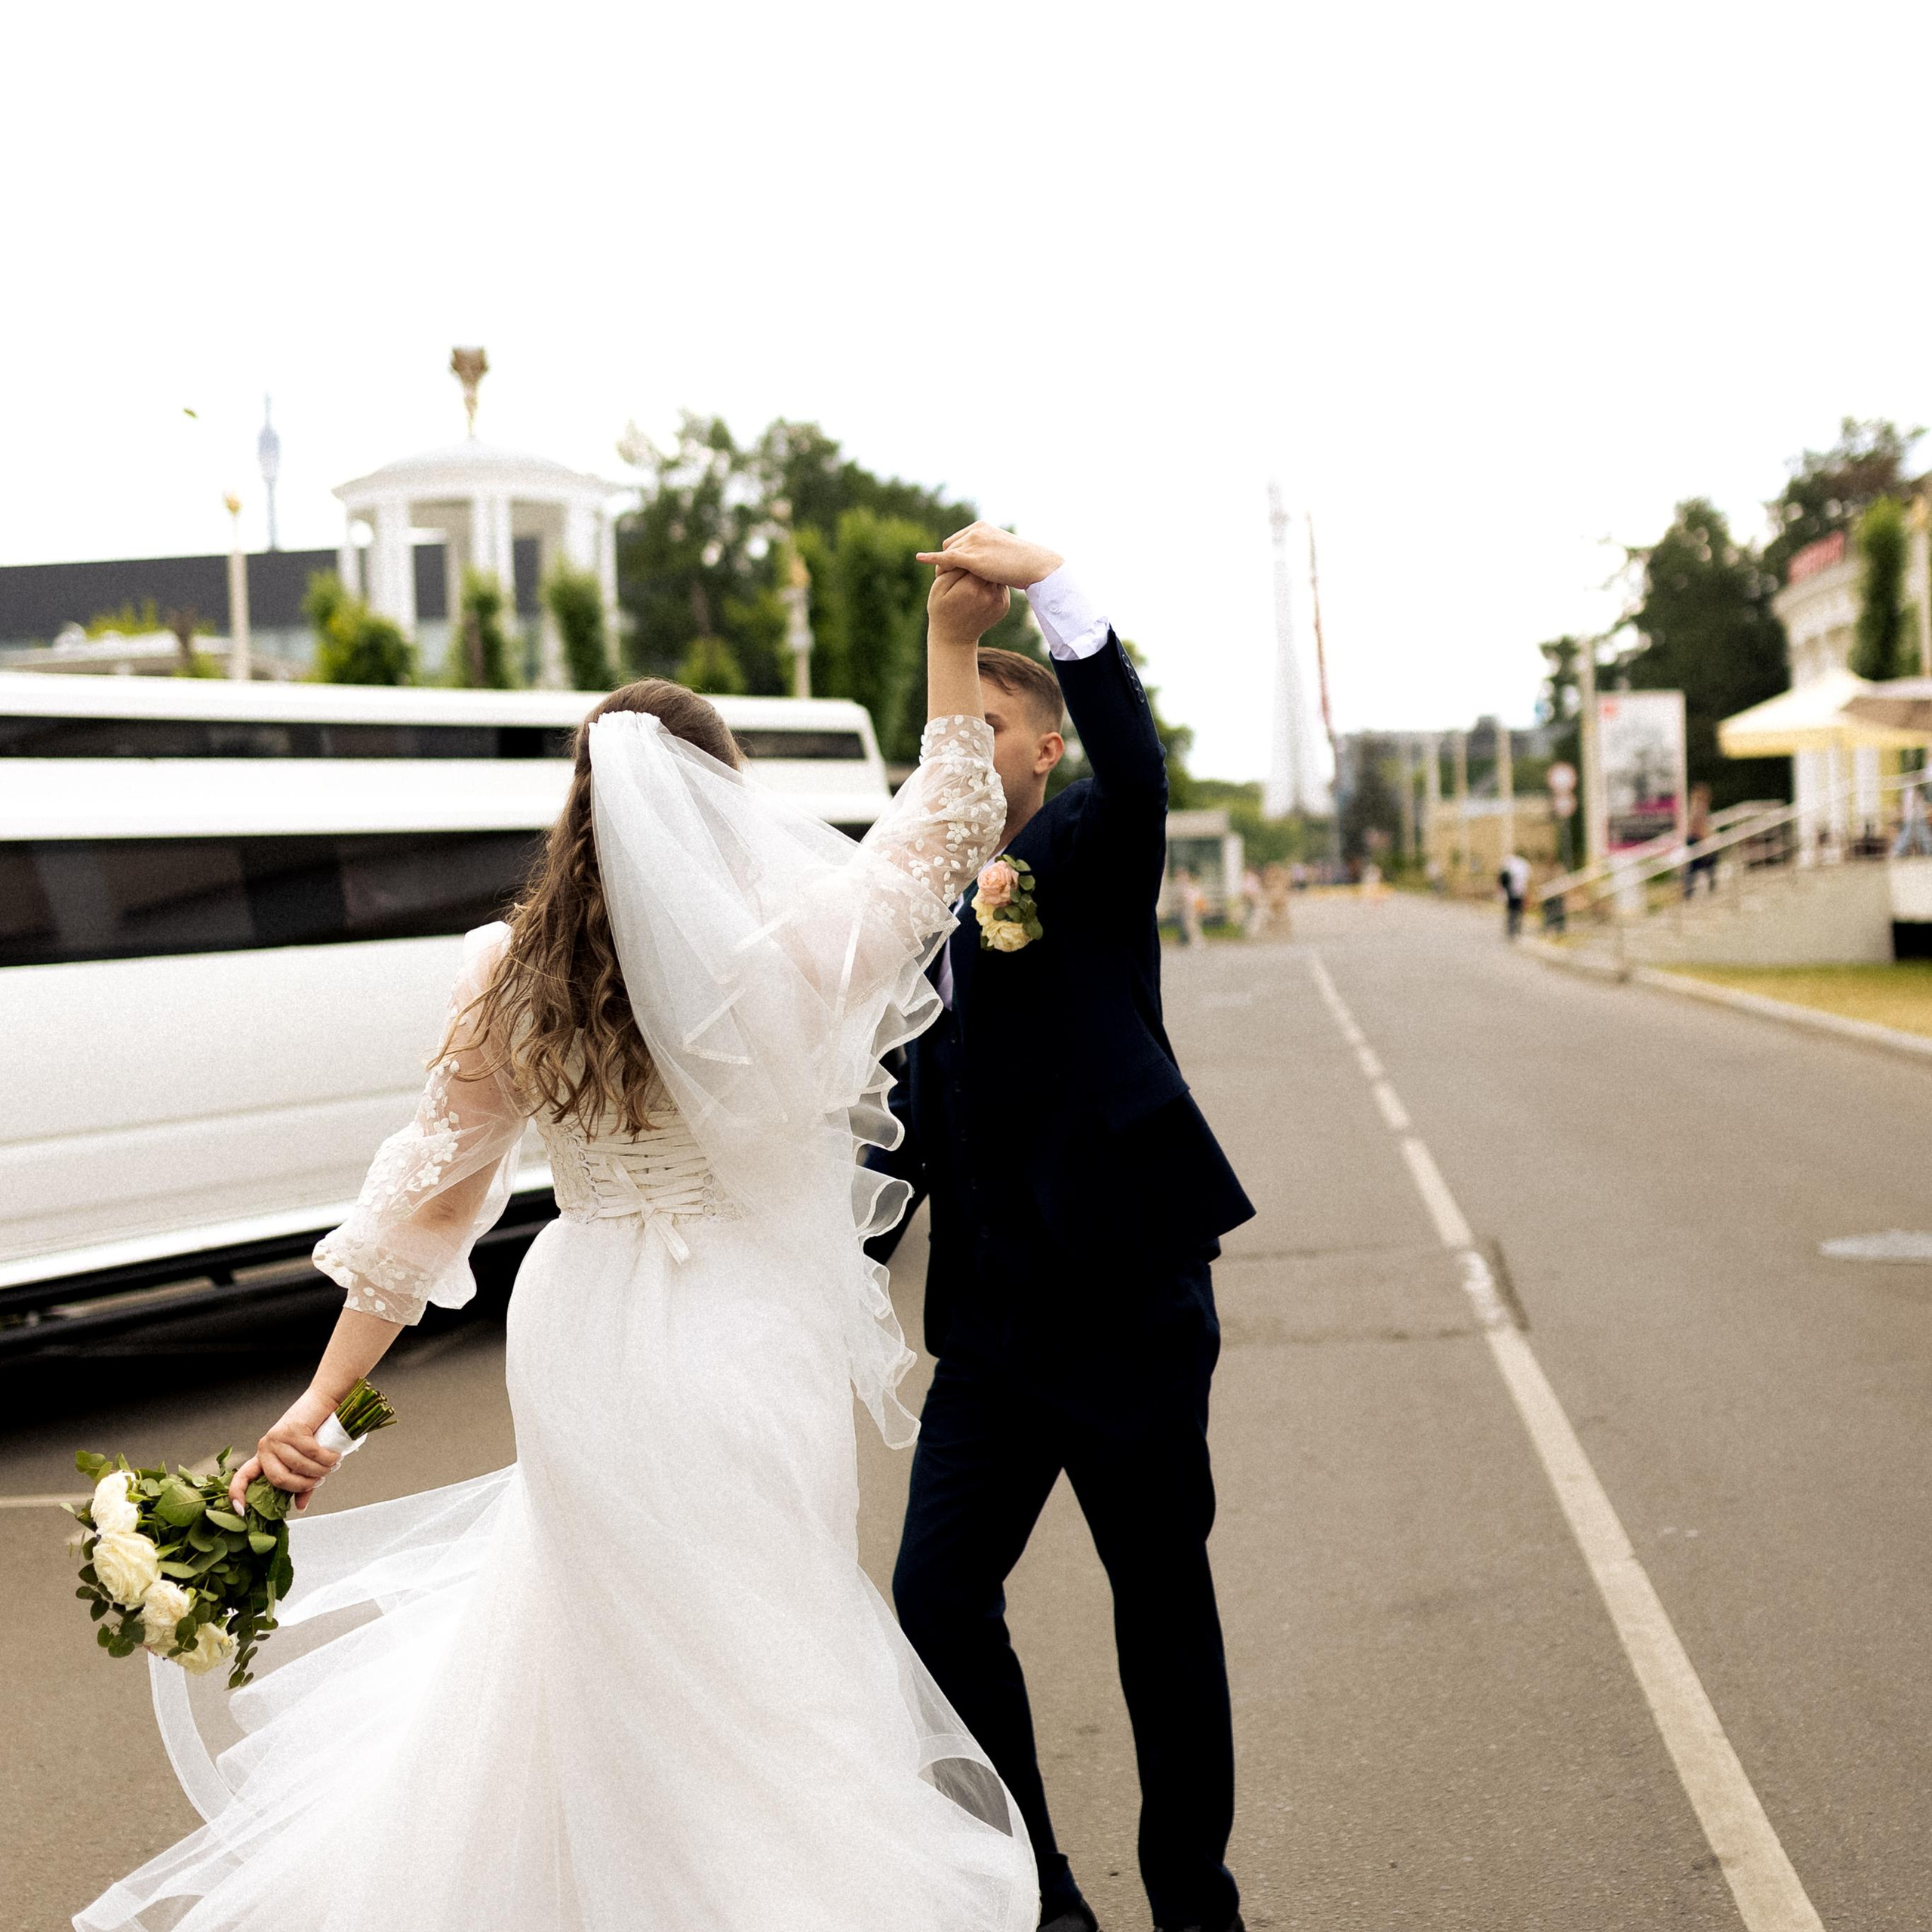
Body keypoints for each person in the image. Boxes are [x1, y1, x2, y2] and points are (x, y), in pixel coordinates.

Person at [77, 565, 1038, 1930]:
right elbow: (946, 827)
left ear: (579, 806)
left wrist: (319, 1410)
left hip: (587, 1328)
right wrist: (951, 643)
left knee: (605, 1646)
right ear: (723, 795)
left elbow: (422, 1204)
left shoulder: (508, 971)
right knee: (764, 1635)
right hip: (745, 1334)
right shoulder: (785, 953)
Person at [869, 524, 1255, 1932]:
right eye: (945, 733)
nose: (961, 752)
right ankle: (1040, 1891)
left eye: (984, 729)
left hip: (1129, 1314)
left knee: (1159, 1611)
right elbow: (907, 1123)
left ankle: (1189, 1902)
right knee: (935, 1598)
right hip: (989, 1336)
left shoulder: (1094, 845)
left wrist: (1052, 590)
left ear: (1039, 754)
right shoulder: (920, 907)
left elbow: (1137, 759)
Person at [1500, 848, 1531, 937]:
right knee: (1517, 911)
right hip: (1518, 892)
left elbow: (1501, 878)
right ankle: (1515, 930)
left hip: (1513, 892)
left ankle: (1513, 930)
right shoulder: (1523, 865)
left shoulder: (1510, 863)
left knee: (1513, 911)